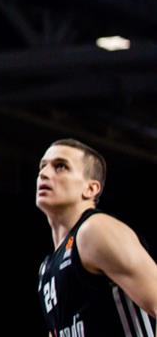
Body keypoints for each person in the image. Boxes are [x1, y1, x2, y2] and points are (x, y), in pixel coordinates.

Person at [36, 139, 157, 336]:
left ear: (90, 189)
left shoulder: (94, 230)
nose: (44, 173)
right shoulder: (46, 268)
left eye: (60, 166)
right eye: (42, 166)